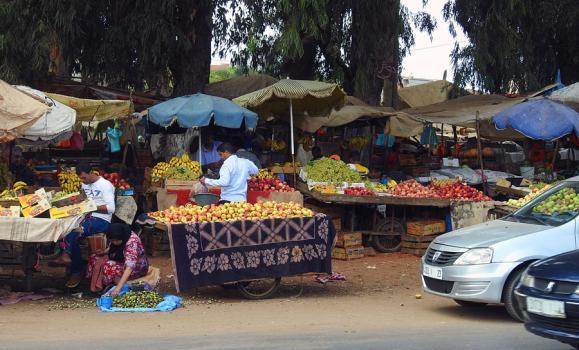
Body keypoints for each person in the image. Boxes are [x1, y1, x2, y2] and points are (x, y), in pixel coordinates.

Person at [54, 162, 116, 288]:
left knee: (75, 231)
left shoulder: (105, 185)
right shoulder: (84, 184)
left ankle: (73, 266)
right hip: (85, 217)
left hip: (101, 220)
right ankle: (72, 262)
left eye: (84, 177)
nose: (83, 180)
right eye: (81, 178)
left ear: (91, 173)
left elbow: (111, 208)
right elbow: (84, 201)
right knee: (65, 228)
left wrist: (90, 208)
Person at [86, 223, 149, 296]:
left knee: (109, 266)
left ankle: (113, 286)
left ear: (121, 237)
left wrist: (118, 288)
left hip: (137, 268)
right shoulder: (119, 236)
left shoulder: (132, 242)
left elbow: (129, 267)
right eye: (112, 241)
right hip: (121, 260)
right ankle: (98, 286)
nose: (114, 243)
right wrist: (103, 252)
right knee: (95, 257)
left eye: (116, 241)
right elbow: (113, 247)